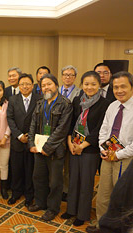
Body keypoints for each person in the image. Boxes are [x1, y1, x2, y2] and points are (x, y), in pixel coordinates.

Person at [60, 71, 109, 226]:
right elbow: (70, 121)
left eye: (93, 84)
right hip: (74, 145)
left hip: (90, 149)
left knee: (86, 182)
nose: (89, 87)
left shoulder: (104, 104)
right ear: (82, 85)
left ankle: (82, 213)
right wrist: (69, 142)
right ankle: (71, 210)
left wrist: (83, 145)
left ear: (99, 85)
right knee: (73, 179)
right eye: (86, 84)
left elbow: (99, 129)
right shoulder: (77, 100)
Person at [86, 71, 133, 233]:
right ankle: (101, 225)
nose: (119, 90)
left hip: (126, 160)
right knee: (103, 195)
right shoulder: (112, 106)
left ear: (131, 88)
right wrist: (103, 148)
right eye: (115, 87)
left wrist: (118, 154)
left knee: (122, 198)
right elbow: (103, 130)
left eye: (123, 87)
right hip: (107, 157)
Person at [28, 73, 72, 221]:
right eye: (43, 85)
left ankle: (53, 208)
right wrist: (31, 144)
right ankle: (40, 203)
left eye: (49, 84)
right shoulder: (40, 102)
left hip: (55, 151)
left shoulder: (65, 104)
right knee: (38, 178)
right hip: (38, 149)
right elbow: (33, 123)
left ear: (56, 85)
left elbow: (62, 129)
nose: (46, 87)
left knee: (55, 182)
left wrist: (47, 147)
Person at [7, 74, 41, 206]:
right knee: (16, 168)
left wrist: (30, 137)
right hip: (17, 140)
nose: (25, 86)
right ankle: (15, 193)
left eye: (28, 84)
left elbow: (40, 120)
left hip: (33, 141)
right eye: (22, 84)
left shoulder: (39, 99)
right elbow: (10, 119)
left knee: (30, 169)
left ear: (32, 86)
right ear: (18, 86)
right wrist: (19, 135)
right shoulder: (12, 99)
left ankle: (29, 195)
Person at [58, 65, 82, 202]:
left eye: (71, 75)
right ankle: (55, 187)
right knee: (56, 165)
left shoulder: (80, 93)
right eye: (65, 74)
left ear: (75, 77)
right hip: (56, 135)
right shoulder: (55, 91)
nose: (68, 77)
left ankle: (66, 190)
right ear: (61, 76)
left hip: (71, 134)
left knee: (68, 166)